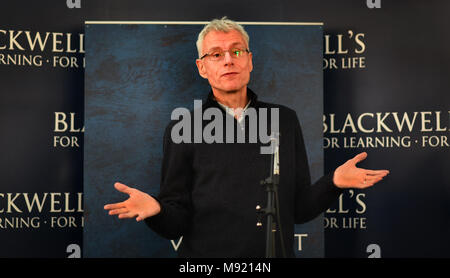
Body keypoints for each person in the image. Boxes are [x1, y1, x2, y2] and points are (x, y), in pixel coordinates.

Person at [104, 17, 389, 258]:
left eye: (237, 51)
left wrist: (334, 182)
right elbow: (175, 222)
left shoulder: (284, 120)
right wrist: (156, 210)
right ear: (202, 67)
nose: (228, 60)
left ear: (250, 60)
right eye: (216, 54)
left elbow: (299, 210)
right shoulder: (183, 128)